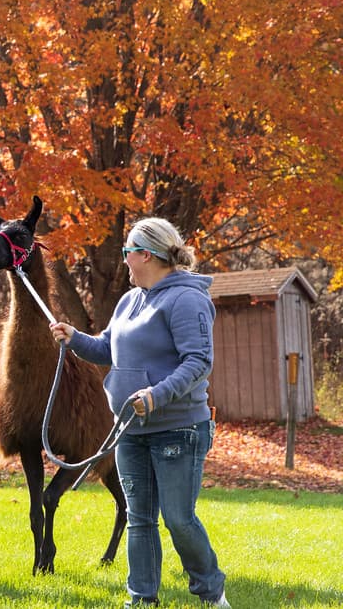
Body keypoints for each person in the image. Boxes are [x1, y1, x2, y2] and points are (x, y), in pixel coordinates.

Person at [49, 218, 230, 608]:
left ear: (146, 255)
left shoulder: (187, 299)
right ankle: (141, 600)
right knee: (140, 518)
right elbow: (107, 350)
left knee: (178, 519)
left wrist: (157, 394)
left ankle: (212, 592)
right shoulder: (130, 300)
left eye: (128, 252)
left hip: (178, 429)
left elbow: (198, 361)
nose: (124, 261)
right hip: (130, 429)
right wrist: (75, 338)